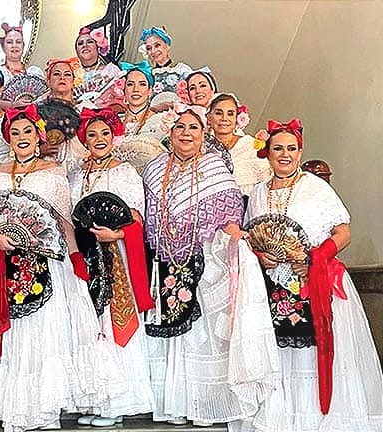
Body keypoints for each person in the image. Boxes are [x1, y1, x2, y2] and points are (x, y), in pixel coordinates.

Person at [0, 104, 122, 431]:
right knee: (15, 334)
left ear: (38, 136)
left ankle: (45, 409)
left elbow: (64, 222)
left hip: (48, 262)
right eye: (15, 133)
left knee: (45, 332)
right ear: (7, 138)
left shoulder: (53, 172)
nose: (21, 138)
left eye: (27, 132)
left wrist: (76, 257)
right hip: (6, 262)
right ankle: (15, 407)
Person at [237, 119, 383, 432]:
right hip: (274, 287)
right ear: (268, 153)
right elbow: (253, 239)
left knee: (311, 355)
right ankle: (281, 419)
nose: (285, 154)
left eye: (291, 148)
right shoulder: (258, 194)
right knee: (280, 354)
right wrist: (262, 257)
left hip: (313, 282)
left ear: (300, 152)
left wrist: (315, 258)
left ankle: (315, 421)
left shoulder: (316, 188)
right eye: (278, 148)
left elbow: (343, 232)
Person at [143, 105, 279, 426]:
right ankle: (175, 404)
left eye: (193, 127)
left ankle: (205, 404)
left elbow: (230, 217)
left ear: (203, 134)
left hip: (205, 258)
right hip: (166, 260)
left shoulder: (214, 166)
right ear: (170, 133)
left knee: (201, 334)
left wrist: (241, 239)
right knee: (172, 336)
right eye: (180, 127)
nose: (186, 133)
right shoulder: (153, 169)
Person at [69, 108, 155, 426]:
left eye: (104, 133)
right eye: (92, 134)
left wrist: (114, 234)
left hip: (116, 253)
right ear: (84, 140)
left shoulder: (125, 173)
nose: (99, 139)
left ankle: (116, 403)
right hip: (86, 254)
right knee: (89, 324)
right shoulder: (76, 174)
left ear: (113, 136)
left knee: (111, 320)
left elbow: (136, 219)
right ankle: (93, 399)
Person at [206, 93, 270, 197]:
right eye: (218, 113)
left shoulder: (250, 145)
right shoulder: (201, 148)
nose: (224, 118)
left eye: (230, 114)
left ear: (237, 118)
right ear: (209, 118)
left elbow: (267, 183)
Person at [138, 26, 192, 110]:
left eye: (157, 45)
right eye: (149, 48)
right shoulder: (147, 75)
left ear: (167, 46)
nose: (153, 51)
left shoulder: (182, 69)